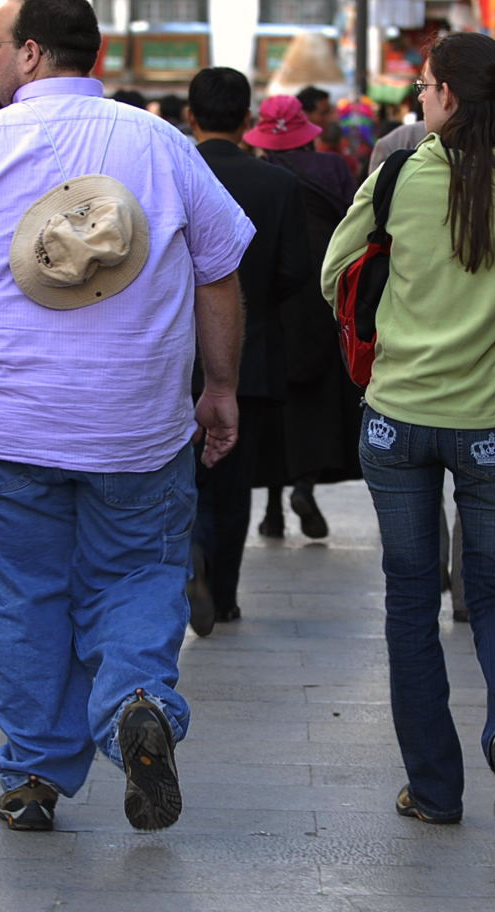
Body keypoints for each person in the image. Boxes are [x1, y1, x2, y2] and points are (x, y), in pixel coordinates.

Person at [0, 0, 254, 832]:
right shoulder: (162, 144)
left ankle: (35, 778)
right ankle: (137, 702)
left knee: (22, 599)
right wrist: (219, 387)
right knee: (139, 576)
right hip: (139, 425)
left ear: (33, 54)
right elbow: (219, 271)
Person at [321, 32, 495, 826]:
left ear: (449, 98)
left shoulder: (395, 177)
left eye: (425, 87)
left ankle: (433, 789)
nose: (419, 99)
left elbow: (337, 278)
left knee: (408, 601)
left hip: (396, 420)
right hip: (494, 422)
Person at [186, 67, 310, 630]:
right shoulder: (279, 185)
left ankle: (189, 557)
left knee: (175, 473)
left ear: (190, 117)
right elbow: (295, 272)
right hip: (250, 354)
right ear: (246, 121)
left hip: (170, 355)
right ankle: (226, 590)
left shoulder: (170, 174)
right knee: (232, 482)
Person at [244, 95, 362, 540]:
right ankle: (306, 488)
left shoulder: (260, 176)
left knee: (277, 409)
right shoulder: (333, 169)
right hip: (322, 299)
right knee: (316, 408)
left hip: (271, 301)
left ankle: (273, 508)